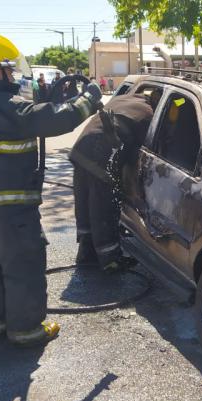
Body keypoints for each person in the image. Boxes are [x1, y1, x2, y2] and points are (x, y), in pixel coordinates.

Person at [0, 33, 103, 346]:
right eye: (8, 70)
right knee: (22, 265)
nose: (11, 76)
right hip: (9, 208)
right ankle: (27, 331)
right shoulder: (9, 108)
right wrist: (89, 98)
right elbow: (59, 119)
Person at [69, 94, 154, 272]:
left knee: (84, 201)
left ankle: (86, 253)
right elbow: (134, 157)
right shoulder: (148, 115)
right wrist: (130, 189)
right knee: (104, 206)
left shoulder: (125, 97)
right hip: (102, 151)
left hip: (81, 148)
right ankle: (110, 260)